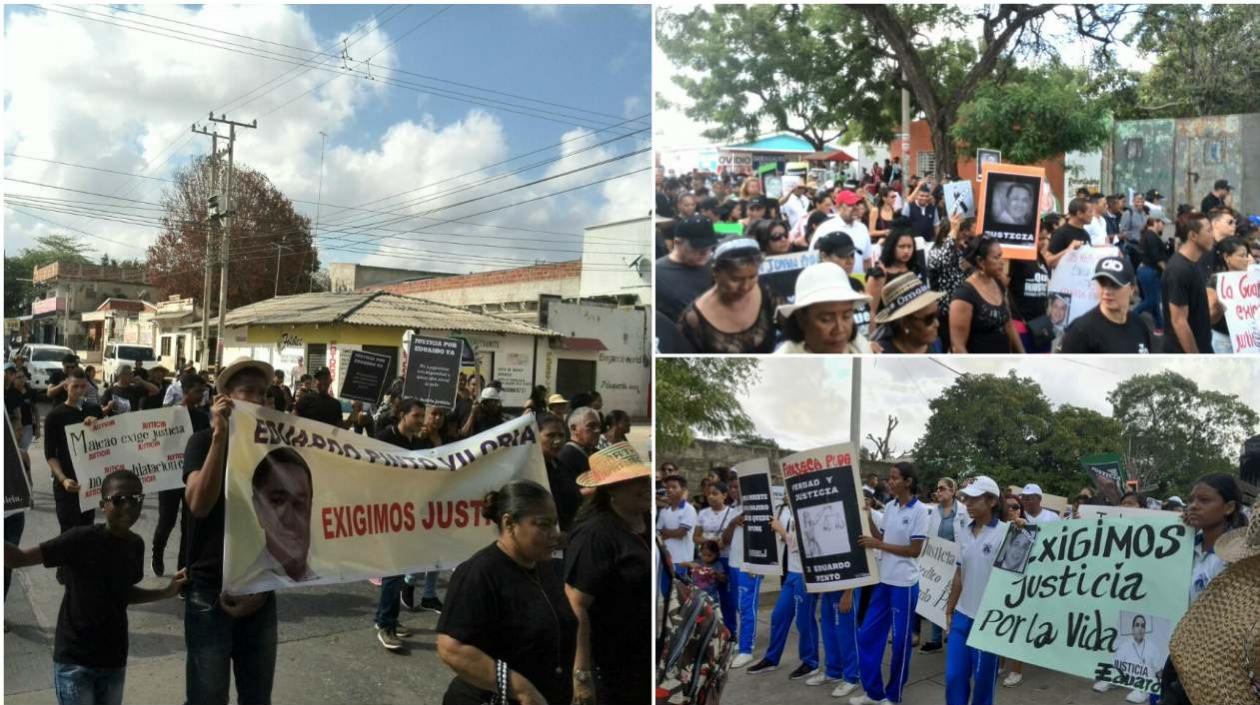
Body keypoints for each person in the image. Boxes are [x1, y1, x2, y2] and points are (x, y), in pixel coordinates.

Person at [4, 469, 187, 705]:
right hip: (74, 661)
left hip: (113, 660)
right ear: (102, 505)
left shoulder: (135, 546)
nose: (128, 507)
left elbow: (123, 593)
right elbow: (18, 558)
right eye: (119, 499)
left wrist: (165, 592)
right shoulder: (78, 539)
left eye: (136, 499)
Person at [181, 357, 280, 705]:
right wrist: (220, 437)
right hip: (210, 593)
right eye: (247, 391)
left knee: (256, 697)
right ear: (225, 397)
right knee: (207, 698)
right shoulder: (202, 442)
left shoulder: (273, 451)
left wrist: (263, 588)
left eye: (263, 393)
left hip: (260, 591)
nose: (257, 400)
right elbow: (199, 504)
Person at [436, 480, 576, 705]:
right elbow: (451, 648)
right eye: (543, 525)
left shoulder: (548, 568)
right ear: (509, 523)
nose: (554, 534)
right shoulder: (479, 573)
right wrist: (520, 688)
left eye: (555, 524)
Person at [565, 443, 653, 705]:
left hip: (647, 661)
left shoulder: (647, 521)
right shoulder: (594, 536)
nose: (646, 484)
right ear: (611, 490)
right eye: (634, 479)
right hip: (613, 668)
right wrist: (582, 676)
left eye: (645, 476)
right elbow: (576, 605)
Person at [850, 462, 930, 705]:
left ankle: (893, 696)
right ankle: (874, 693)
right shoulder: (892, 507)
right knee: (866, 636)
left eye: (894, 477)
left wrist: (879, 545)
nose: (889, 481)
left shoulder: (920, 511)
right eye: (889, 477)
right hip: (884, 582)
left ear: (908, 481)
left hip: (904, 586)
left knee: (900, 645)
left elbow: (914, 550)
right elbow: (881, 536)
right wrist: (867, 517)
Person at [1167, 495, 1258, 705]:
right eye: (1191, 499)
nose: (1194, 506)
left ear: (1229, 507)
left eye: (1205, 500)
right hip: (1186, 649)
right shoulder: (1180, 540)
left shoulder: (1235, 569)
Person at [943, 476, 1008, 705]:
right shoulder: (964, 531)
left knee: (982, 681)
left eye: (974, 498)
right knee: (954, 677)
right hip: (962, 617)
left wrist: (1024, 533)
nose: (968, 503)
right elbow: (960, 573)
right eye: (966, 498)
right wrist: (950, 606)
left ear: (991, 501)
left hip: (988, 621)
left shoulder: (1006, 533)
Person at [746, 501, 820, 681]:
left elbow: (810, 544)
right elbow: (786, 541)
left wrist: (781, 531)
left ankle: (810, 662)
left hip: (807, 574)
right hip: (792, 572)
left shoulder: (812, 510)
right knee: (778, 616)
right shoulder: (787, 511)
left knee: (804, 620)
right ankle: (772, 658)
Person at [151, 373, 209, 578]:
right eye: (197, 391)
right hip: (169, 477)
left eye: (203, 392)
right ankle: (157, 550)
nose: (201, 395)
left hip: (191, 477)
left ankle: (182, 571)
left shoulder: (203, 417)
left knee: (189, 525)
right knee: (166, 521)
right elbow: (157, 444)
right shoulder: (170, 415)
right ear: (185, 392)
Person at [677, 238, 776, 354]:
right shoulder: (694, 320)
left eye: (752, 277)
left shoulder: (766, 293)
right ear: (716, 272)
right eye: (736, 279)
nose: (745, 287)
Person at [44, 369, 105, 535]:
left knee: (86, 531)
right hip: (67, 485)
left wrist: (97, 423)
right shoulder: (54, 416)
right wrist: (63, 479)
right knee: (68, 533)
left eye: (82, 386)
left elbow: (108, 443)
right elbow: (50, 454)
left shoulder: (94, 409)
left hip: (89, 484)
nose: (79, 390)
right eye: (74, 386)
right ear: (66, 387)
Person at [1060, 256, 1154, 354]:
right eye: (1102, 284)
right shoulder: (1081, 332)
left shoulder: (1139, 325)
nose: (1107, 291)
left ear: (1131, 289)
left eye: (1115, 285)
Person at [774, 262, 871, 354]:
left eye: (847, 316)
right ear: (801, 319)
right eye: (826, 319)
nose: (840, 329)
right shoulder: (778, 366)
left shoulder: (860, 347)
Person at [949, 238, 1025, 354]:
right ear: (980, 261)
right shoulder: (964, 295)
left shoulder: (999, 283)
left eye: (1001, 256)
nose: (1002, 262)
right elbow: (958, 346)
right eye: (996, 257)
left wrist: (1023, 356)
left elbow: (1009, 324)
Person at [921, 477, 967, 653]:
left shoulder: (963, 511)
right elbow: (927, 536)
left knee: (955, 600)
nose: (938, 491)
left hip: (956, 562)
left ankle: (953, 632)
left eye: (942, 489)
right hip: (937, 561)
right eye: (937, 489)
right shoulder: (933, 512)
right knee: (935, 598)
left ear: (952, 491)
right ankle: (935, 639)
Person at [1162, 212, 1213, 354]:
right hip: (1184, 353)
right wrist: (1196, 358)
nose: (1212, 235)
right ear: (1193, 236)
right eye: (1208, 231)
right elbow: (1179, 321)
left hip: (1203, 346)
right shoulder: (1179, 269)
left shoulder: (1194, 263)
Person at [657, 215, 718, 323]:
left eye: (710, 248)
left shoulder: (714, 263)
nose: (706, 254)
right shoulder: (657, 273)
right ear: (677, 242)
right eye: (698, 248)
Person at [928, 214, 976, 350]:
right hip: (945, 310)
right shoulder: (935, 252)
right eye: (959, 233)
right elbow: (943, 259)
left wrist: (968, 267)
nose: (963, 236)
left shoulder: (960, 251)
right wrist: (953, 233)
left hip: (963, 307)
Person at [694, 480, 738, 628]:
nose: (711, 497)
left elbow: (732, 538)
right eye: (709, 494)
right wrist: (710, 543)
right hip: (707, 559)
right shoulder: (703, 513)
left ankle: (730, 631)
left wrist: (719, 544)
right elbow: (696, 536)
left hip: (726, 558)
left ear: (724, 495)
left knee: (727, 598)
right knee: (705, 595)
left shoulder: (732, 513)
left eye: (715, 493)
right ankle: (708, 630)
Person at [814, 232, 874, 338]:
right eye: (843, 256)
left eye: (852, 255)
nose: (850, 261)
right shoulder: (817, 290)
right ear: (824, 256)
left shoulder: (855, 283)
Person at [865, 223, 924, 329]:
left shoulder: (915, 269)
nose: (906, 251)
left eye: (909, 246)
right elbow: (870, 311)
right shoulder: (880, 274)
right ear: (892, 247)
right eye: (901, 247)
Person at [1009, 218, 1054, 353]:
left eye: (1045, 238)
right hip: (1021, 323)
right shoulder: (1016, 257)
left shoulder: (1041, 259)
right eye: (1039, 238)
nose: (1042, 242)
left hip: (1041, 323)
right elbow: (1004, 283)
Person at [871, 273, 944, 354]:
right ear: (905, 323)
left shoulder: (936, 343)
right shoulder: (880, 354)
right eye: (929, 319)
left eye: (937, 315)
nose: (937, 324)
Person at [1207, 236, 1254, 353]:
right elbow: (1209, 316)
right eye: (1241, 256)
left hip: (1251, 340)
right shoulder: (1216, 281)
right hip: (1225, 340)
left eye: (1246, 255)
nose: (1247, 259)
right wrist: (1217, 308)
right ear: (1227, 257)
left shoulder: (1254, 279)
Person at [811, 190, 874, 275]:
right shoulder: (826, 228)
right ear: (838, 207)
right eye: (850, 205)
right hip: (833, 281)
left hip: (858, 282)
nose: (855, 208)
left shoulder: (862, 228)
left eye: (857, 204)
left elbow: (867, 259)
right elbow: (813, 258)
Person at [1134, 215, 1169, 331]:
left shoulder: (1149, 235)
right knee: (1152, 300)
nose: (1163, 225)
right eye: (1162, 222)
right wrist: (1167, 270)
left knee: (1153, 300)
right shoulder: (1151, 236)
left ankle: (1159, 326)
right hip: (1149, 271)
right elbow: (1157, 257)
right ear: (1155, 222)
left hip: (1147, 271)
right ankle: (1131, 315)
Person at [657, 474, 697, 573]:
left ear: (683, 489)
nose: (670, 490)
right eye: (667, 488)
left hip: (682, 559)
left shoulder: (688, 509)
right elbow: (658, 533)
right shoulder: (664, 511)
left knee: (680, 586)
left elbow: (681, 533)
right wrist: (669, 533)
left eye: (674, 487)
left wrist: (665, 532)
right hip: (665, 559)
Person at [1046, 197, 1094, 270]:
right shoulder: (1060, 233)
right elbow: (1048, 261)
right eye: (1090, 212)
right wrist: (1069, 249)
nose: (1092, 215)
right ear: (1079, 213)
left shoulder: (1085, 234)